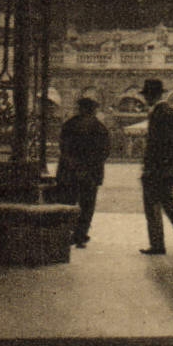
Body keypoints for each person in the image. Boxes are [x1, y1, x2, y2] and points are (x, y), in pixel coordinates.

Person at [139, 78, 173, 255]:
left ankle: (157, 244)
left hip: (157, 169)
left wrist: (151, 168)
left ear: (150, 96)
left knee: (152, 204)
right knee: (167, 201)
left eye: (146, 95)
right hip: (172, 168)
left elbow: (156, 144)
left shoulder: (158, 113)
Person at [56, 96, 111, 248]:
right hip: (90, 174)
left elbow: (63, 148)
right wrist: (88, 167)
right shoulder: (99, 127)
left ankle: (65, 234)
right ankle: (80, 235)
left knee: (68, 203)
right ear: (93, 110)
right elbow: (104, 152)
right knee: (87, 206)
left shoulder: (69, 125)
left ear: (80, 109)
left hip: (70, 172)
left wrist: (73, 166)